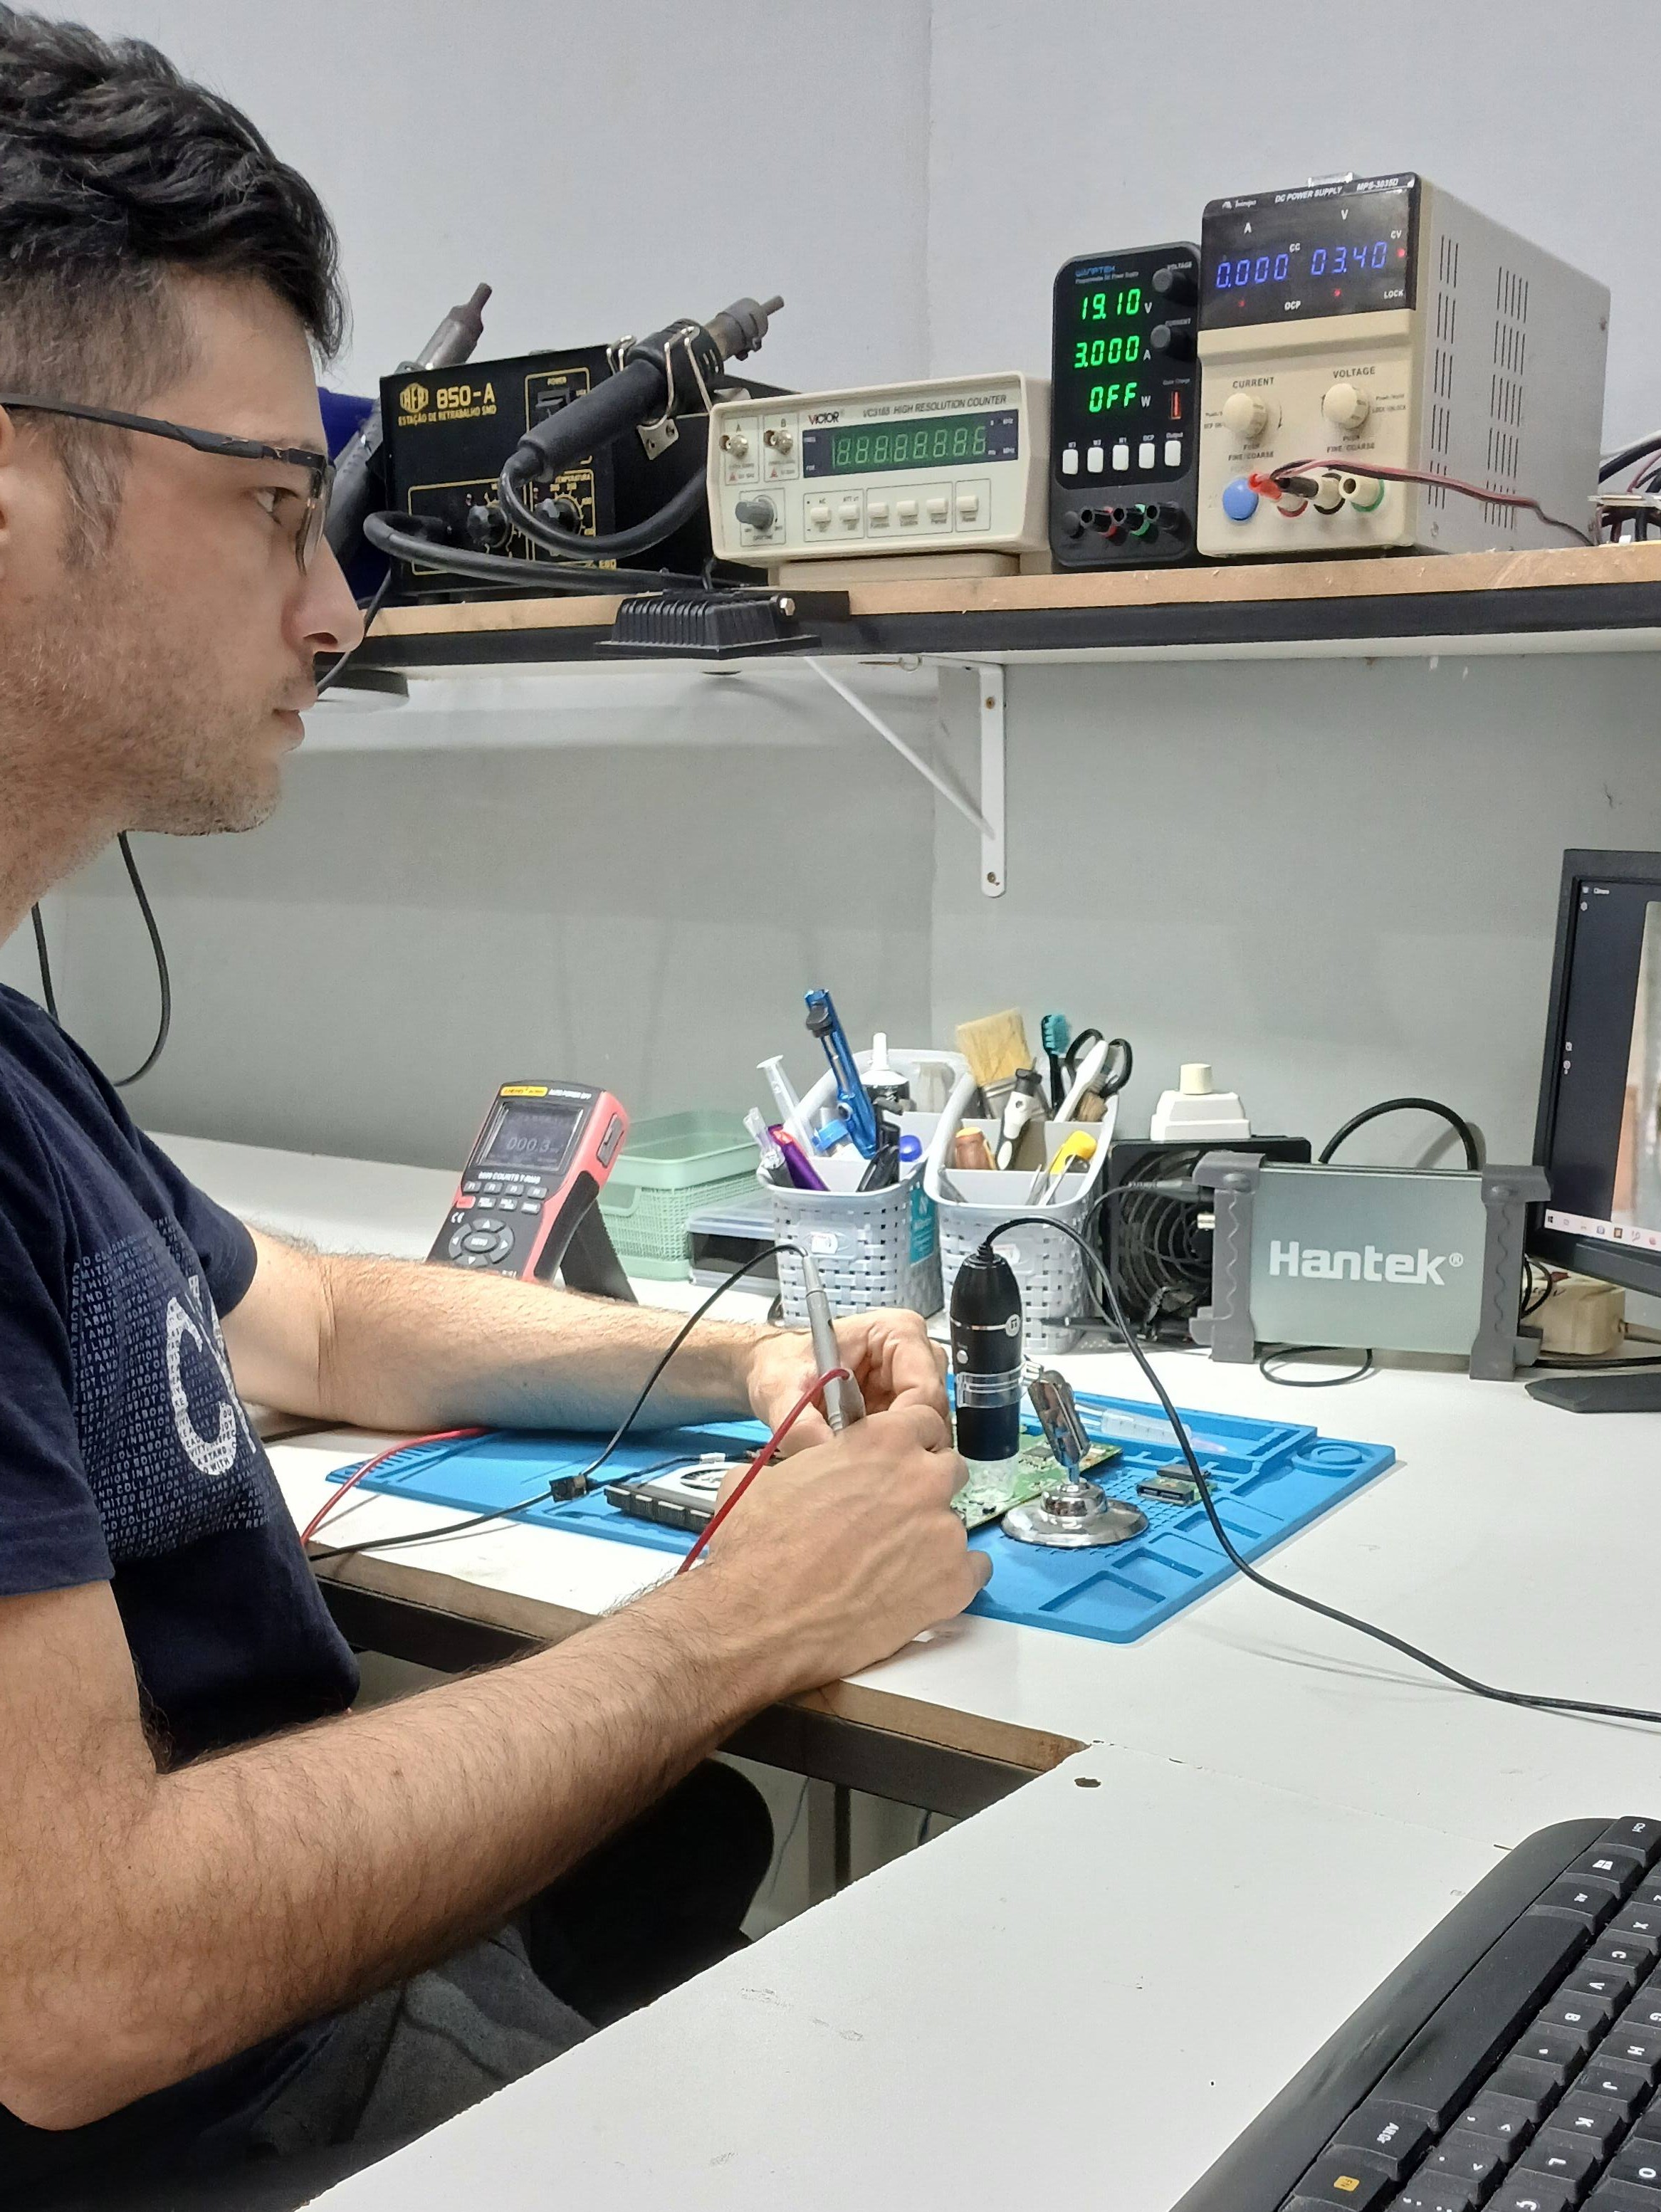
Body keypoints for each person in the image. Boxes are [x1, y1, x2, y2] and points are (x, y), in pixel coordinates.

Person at [0, 11, 987, 2205]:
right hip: (217, 2109)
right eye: (278, 509)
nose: (336, 611)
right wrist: (740, 1623)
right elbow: (75, 1989)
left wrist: (740, 1358)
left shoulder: (15, 1061)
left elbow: (317, 1323)